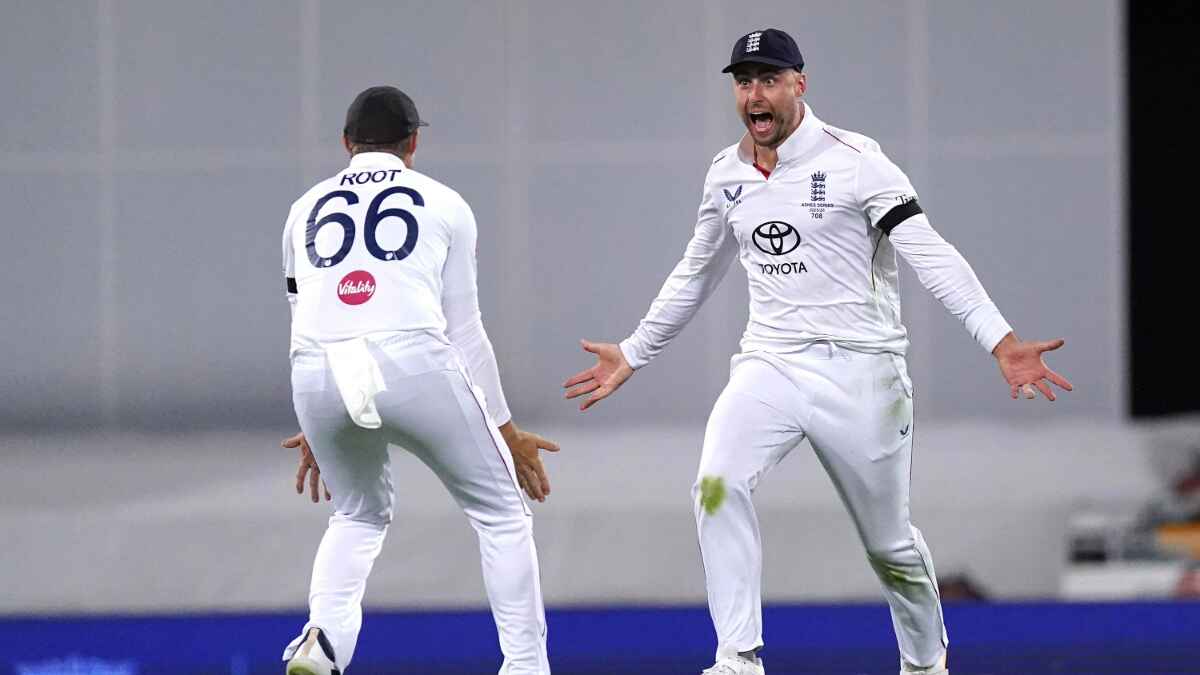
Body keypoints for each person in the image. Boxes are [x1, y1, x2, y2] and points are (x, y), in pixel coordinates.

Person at [563, 29, 1072, 675]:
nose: (755, 93)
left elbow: (929, 252)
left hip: (862, 370)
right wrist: (635, 350)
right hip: (770, 362)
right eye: (744, 81)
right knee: (716, 484)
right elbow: (697, 270)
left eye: (769, 79)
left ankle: (924, 664)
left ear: (799, 84)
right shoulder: (726, 173)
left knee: (889, 545)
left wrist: (1000, 340)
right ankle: (737, 657)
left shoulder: (858, 161)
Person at [279, 86, 557, 675]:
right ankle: (526, 666)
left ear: (346, 144)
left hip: (317, 370)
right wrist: (505, 428)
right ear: (414, 143)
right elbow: (466, 331)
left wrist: (318, 418)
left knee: (356, 514)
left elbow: (306, 317)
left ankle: (322, 643)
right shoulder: (445, 202)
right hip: (412, 360)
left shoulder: (304, 207)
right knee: (502, 513)